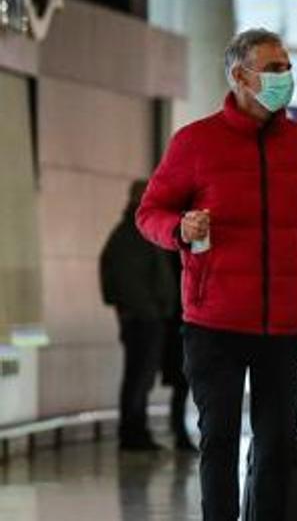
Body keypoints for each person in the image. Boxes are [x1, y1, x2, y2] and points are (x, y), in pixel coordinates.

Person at [137, 28, 297, 521]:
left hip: (286, 326)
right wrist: (179, 227)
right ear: (239, 76)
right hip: (215, 324)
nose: (284, 78)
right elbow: (149, 214)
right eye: (273, 69)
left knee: (275, 450)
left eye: (287, 67)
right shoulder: (196, 141)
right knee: (220, 443)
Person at [100, 179, 178, 452]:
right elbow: (124, 279)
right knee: (138, 376)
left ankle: (137, 431)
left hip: (148, 316)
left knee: (141, 376)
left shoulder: (138, 229)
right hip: (142, 318)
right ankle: (133, 433)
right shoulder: (132, 233)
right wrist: (150, 309)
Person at [161, 250, 197, 452]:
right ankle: (179, 432)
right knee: (181, 382)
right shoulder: (175, 252)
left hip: (178, 323)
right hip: (178, 324)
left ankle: (179, 431)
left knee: (181, 383)